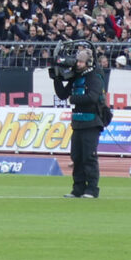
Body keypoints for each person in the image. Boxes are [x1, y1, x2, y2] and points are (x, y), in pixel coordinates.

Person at [53, 43, 109, 199]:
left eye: (81, 62)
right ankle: (77, 188)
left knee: (88, 157)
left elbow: (91, 97)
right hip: (78, 122)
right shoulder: (77, 76)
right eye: (77, 61)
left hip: (91, 122)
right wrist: (56, 79)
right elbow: (63, 94)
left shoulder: (95, 76)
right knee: (76, 157)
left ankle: (91, 189)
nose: (78, 64)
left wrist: (74, 98)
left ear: (88, 62)